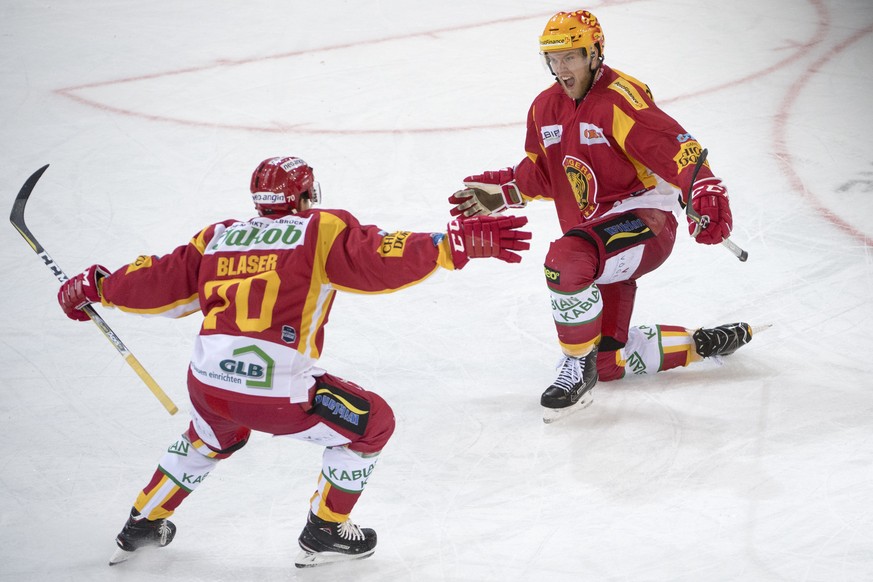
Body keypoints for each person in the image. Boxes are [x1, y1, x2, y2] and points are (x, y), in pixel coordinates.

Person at [57, 156, 531, 568]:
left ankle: (143, 521)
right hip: (276, 392)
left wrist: (97, 285)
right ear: (306, 195)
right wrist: (449, 245)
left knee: (208, 437)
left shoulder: (217, 237)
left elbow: (158, 280)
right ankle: (325, 529)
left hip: (208, 384)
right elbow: (375, 258)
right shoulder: (318, 229)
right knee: (375, 423)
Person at [448, 10, 756, 423]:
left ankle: (574, 365)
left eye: (570, 57)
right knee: (609, 364)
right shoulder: (544, 108)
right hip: (598, 237)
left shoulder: (620, 99)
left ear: (595, 53)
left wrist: (704, 186)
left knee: (565, 262)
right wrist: (505, 191)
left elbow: (674, 148)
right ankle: (701, 343)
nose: (560, 69)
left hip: (645, 222)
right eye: (552, 59)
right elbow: (546, 173)